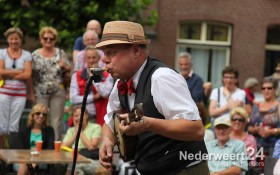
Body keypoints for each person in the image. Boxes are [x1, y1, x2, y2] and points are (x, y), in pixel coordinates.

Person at [96, 21, 209, 175]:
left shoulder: (161, 77)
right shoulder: (120, 84)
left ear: (135, 50)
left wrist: (147, 124)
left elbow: (196, 130)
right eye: (104, 53)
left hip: (184, 169)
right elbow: (109, 121)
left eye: (110, 52)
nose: (104, 60)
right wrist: (107, 141)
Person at [31, 26, 71, 140]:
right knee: (39, 118)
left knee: (56, 121)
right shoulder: (35, 54)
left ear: (55, 40)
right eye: (45, 38)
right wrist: (31, 93)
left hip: (58, 90)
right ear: (41, 39)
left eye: (51, 39)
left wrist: (65, 66)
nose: (48, 41)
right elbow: (31, 75)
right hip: (40, 91)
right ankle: (40, 144)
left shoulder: (60, 53)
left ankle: (55, 146)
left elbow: (68, 70)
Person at [0, 27, 32, 148]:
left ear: (20, 40)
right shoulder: (2, 53)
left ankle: (12, 153)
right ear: (8, 40)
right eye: (11, 39)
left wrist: (9, 73)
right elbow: (0, 71)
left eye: (16, 39)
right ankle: (1, 153)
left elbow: (28, 74)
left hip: (20, 94)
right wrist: (19, 71)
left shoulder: (26, 55)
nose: (14, 41)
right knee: (2, 124)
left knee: (14, 124)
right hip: (4, 92)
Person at [70, 46, 113, 124]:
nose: (91, 60)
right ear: (85, 59)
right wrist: (93, 98)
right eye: (89, 58)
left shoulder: (107, 74)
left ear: (98, 58)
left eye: (94, 57)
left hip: (101, 116)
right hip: (82, 117)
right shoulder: (76, 75)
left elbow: (105, 93)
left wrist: (94, 77)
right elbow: (73, 99)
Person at [16, 103, 55, 175]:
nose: (41, 116)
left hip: (42, 159)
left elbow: (50, 148)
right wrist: (30, 160)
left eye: (44, 114)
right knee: (25, 165)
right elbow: (20, 149)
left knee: (28, 166)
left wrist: (37, 159)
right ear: (33, 115)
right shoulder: (24, 130)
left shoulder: (49, 130)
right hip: (24, 159)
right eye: (38, 113)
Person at [62, 106, 101, 175]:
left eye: (81, 115)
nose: (79, 117)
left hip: (93, 161)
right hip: (76, 161)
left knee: (74, 166)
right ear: (73, 118)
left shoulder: (96, 127)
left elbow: (91, 147)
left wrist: (80, 132)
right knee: (74, 167)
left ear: (86, 116)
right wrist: (75, 134)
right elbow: (63, 146)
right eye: (76, 116)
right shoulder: (71, 130)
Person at [248, 77, 280, 155]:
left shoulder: (278, 106)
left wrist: (271, 131)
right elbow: (249, 127)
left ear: (275, 90)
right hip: (256, 148)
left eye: (269, 88)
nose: (266, 90)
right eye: (263, 88)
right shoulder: (256, 106)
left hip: (274, 149)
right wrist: (255, 130)